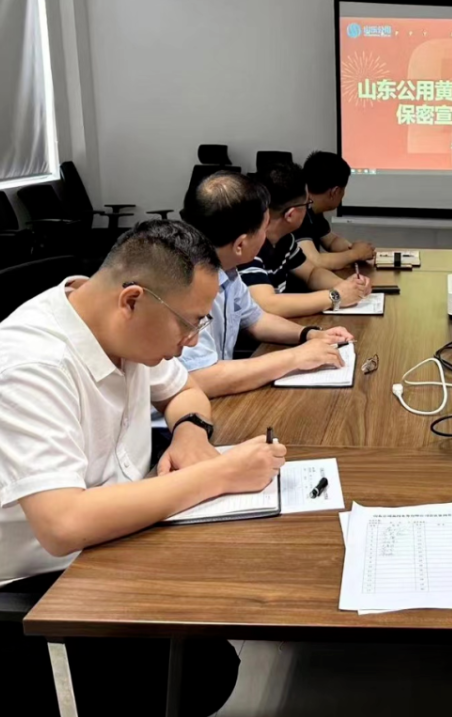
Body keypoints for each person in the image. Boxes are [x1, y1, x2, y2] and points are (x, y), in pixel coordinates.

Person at [0, 220, 287, 715]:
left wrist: (190, 432)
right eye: (188, 323)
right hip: (44, 590)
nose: (191, 341)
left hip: (116, 542)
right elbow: (63, 524)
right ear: (131, 300)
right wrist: (219, 473)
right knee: (201, 672)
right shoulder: (32, 366)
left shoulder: (116, 323)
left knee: (236, 600)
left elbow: (185, 389)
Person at [179, 171, 353, 397]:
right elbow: (201, 378)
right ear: (240, 244)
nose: (267, 234)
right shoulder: (183, 285)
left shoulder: (227, 270)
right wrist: (294, 357)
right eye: (264, 227)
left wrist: (309, 334)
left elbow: (257, 320)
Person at [238, 162, 371, 317]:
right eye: (307, 204)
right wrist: (336, 296)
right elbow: (268, 304)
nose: (309, 209)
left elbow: (312, 273)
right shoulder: (248, 246)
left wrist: (347, 286)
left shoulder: (285, 239)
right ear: (291, 215)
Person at [296, 150, 377, 271]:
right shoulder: (298, 211)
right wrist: (355, 254)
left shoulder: (313, 209)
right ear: (335, 192)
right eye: (343, 190)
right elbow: (315, 262)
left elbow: (331, 241)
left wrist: (354, 249)